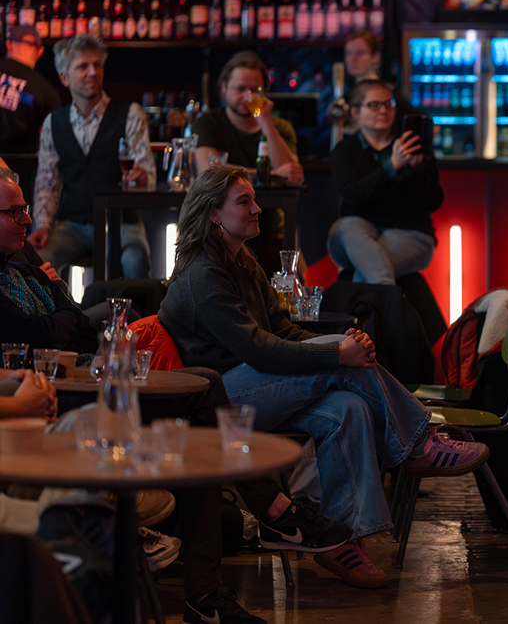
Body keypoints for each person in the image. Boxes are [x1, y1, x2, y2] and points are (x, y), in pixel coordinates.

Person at [0, 166, 351, 623]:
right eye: (14, 212)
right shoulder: (203, 273)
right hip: (52, 399)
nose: (27, 220)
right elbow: (29, 327)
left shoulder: (26, 270)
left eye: (26, 209)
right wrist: (54, 326)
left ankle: (228, 570)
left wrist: (55, 324)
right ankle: (258, 533)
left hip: (85, 385)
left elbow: (80, 325)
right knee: (208, 390)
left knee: (204, 385)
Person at [159, 166, 488, 586]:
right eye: (244, 202)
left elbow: (284, 332)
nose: (258, 208)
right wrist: (337, 355)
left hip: (257, 387)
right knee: (340, 369)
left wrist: (339, 345)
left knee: (348, 406)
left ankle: (340, 540)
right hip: (220, 404)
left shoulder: (244, 262)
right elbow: (257, 348)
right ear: (214, 216)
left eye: (254, 199)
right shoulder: (204, 276)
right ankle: (417, 442)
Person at [28, 35, 155, 280]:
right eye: (82, 66)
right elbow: (48, 182)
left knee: (135, 259)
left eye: (97, 65)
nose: (92, 72)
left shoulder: (130, 114)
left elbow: (147, 171)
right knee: (37, 264)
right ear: (64, 77)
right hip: (71, 225)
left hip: (121, 224)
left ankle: (137, 319)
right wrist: (42, 225)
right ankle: (59, 319)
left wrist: (141, 177)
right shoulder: (54, 122)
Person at [327, 79, 443, 285]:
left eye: (389, 104)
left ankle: (382, 308)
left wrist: (417, 169)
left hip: (409, 234)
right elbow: (354, 196)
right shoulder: (344, 150)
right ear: (355, 113)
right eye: (374, 105)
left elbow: (433, 202)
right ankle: (389, 309)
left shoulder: (412, 144)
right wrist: (391, 167)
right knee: (346, 226)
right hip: (358, 235)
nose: (384, 111)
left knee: (367, 273)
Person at [192, 50, 303, 184]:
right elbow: (208, 172)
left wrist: (265, 121)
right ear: (223, 88)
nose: (248, 97)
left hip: (271, 204)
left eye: (255, 90)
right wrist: (270, 174)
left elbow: (292, 176)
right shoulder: (208, 122)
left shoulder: (281, 127)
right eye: (240, 89)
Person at [0, 25, 62, 155]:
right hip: (18, 165)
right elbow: (48, 142)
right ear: (40, 52)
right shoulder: (48, 92)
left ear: (9, 45)